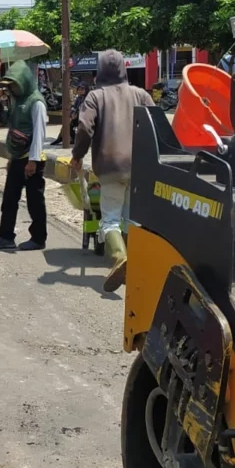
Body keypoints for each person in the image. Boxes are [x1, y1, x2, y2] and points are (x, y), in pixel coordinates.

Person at [69, 50, 155, 292]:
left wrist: (77, 155)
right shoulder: (141, 94)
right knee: (130, 218)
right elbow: (156, 125)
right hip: (140, 168)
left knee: (110, 219)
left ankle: (120, 257)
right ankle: (133, 266)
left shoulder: (95, 97)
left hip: (110, 167)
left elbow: (85, 127)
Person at [0, 60, 49, 252]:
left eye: (14, 84)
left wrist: (33, 161)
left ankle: (38, 238)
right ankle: (6, 236)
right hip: (17, 158)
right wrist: (11, 159)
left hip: (31, 160)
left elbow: (39, 134)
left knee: (35, 202)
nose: (12, 88)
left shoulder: (36, 102)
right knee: (9, 199)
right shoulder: (19, 101)